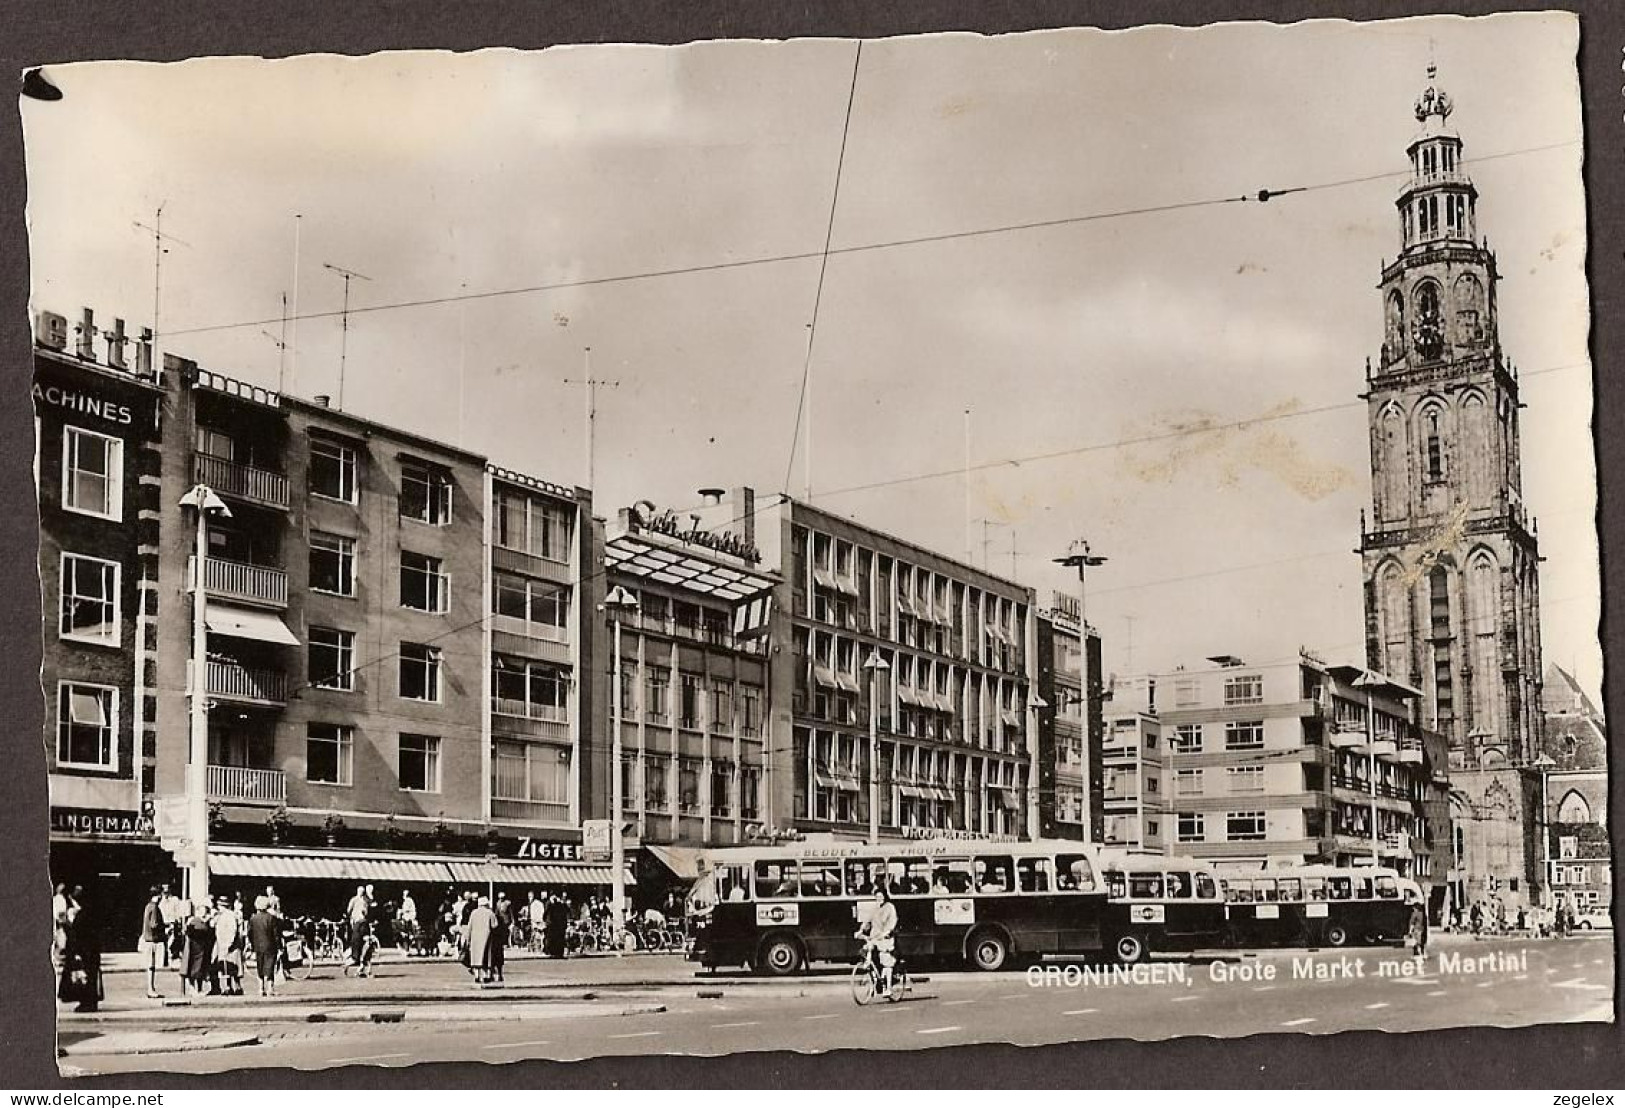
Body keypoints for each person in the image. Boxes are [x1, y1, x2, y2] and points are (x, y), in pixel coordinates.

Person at [57, 896, 102, 1013]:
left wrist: (76, 952)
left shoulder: (82, 916)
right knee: (90, 978)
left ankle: (86, 1002)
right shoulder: (91, 915)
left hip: (84, 953)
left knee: (84, 978)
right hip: (91, 953)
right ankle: (91, 1002)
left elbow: (76, 936)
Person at [857, 883, 899, 998]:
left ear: (885, 897)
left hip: (886, 939)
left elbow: (892, 922)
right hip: (875, 938)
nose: (879, 900)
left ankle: (888, 988)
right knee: (866, 952)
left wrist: (887, 932)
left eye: (881, 897)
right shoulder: (874, 908)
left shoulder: (890, 907)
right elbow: (867, 921)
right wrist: (860, 931)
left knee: (886, 962)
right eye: (877, 897)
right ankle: (875, 982)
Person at [247, 897, 281, 997]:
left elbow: (249, 933)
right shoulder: (271, 918)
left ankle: (260, 988)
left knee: (260, 966)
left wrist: (252, 944)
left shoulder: (253, 919)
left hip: (258, 946)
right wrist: (280, 946)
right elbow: (276, 934)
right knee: (270, 967)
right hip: (270, 946)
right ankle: (270, 988)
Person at [139, 886, 167, 999]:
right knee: (151, 965)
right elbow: (154, 924)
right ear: (159, 894)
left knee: (150, 965)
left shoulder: (148, 906)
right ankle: (151, 989)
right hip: (152, 939)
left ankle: (151, 988)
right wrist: (165, 927)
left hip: (147, 938)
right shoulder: (155, 907)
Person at [183, 902, 216, 997]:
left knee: (201, 969)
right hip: (195, 948)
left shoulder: (206, 922)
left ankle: (199, 988)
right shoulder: (193, 921)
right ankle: (192, 988)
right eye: (201, 911)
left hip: (203, 948)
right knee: (194, 968)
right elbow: (188, 932)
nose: (203, 913)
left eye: (204, 911)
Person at [213, 896, 244, 996]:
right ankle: (228, 987)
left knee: (233, 967)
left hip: (230, 946)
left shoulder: (230, 915)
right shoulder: (220, 916)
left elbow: (232, 930)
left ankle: (237, 987)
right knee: (225, 967)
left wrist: (229, 944)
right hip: (222, 944)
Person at [466, 896, 497, 985]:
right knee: (486, 957)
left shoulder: (473, 913)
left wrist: (468, 939)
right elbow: (495, 925)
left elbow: (469, 927)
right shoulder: (490, 913)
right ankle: (486, 975)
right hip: (486, 937)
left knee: (476, 957)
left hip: (475, 938)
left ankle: (477, 976)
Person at [345, 885, 371, 969]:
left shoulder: (364, 900)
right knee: (357, 940)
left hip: (361, 922)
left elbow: (349, 910)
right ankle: (356, 958)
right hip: (358, 922)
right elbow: (349, 910)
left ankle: (359, 959)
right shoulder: (355, 900)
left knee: (361, 941)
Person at [491, 892, 512, 982]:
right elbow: (496, 912)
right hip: (501, 923)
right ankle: (498, 973)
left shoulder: (507, 903)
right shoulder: (497, 904)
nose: (501, 899)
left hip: (505, 921)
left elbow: (510, 912)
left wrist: (512, 921)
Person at [544, 894, 569, 959]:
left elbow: (547, 914)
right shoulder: (560, 906)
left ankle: (555, 952)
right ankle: (559, 953)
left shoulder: (553, 906)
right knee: (559, 939)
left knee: (555, 939)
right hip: (559, 925)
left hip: (555, 925)